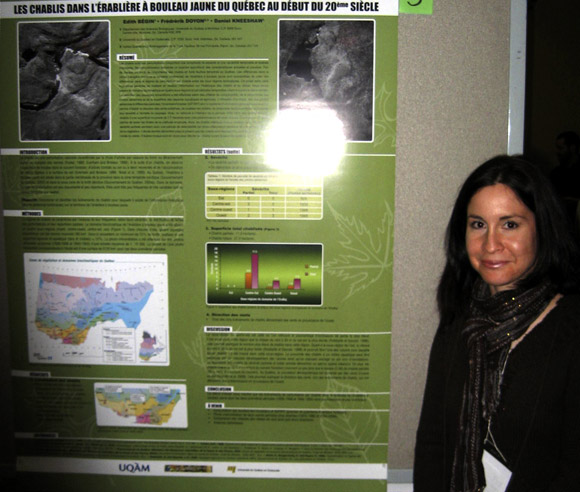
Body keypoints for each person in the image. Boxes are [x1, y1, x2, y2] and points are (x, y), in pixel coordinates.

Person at [414, 155, 580, 492]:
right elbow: (433, 441)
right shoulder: (459, 321)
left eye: (510, 224)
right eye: (478, 224)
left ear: (542, 228)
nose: (491, 245)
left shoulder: (572, 330)